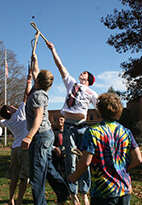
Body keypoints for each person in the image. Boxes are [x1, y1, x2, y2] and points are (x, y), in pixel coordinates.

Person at [46, 41, 98, 205]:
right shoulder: (71, 83)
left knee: (84, 160)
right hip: (68, 126)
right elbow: (60, 65)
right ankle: (73, 192)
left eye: (84, 73)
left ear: (88, 78)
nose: (80, 73)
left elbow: (102, 108)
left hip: (82, 126)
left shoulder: (92, 92)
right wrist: (53, 49)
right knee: (71, 161)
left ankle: (84, 192)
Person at [68, 93, 142, 205]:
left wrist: (73, 177)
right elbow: (138, 159)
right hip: (124, 190)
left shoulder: (93, 132)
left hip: (103, 191)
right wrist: (120, 169)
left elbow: (86, 161)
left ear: (99, 109)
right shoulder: (126, 132)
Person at [21, 51, 69, 205]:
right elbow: (36, 71)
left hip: (40, 136)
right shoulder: (39, 90)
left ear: (39, 81)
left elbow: (38, 118)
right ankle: (63, 191)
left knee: (37, 175)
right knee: (47, 167)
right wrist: (35, 58)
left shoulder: (37, 95)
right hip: (46, 135)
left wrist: (29, 136)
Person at [0, 71, 32, 205]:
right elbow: (26, 96)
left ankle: (11, 199)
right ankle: (19, 200)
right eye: (11, 107)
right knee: (24, 176)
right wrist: (28, 81)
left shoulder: (6, 122)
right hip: (24, 148)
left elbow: (1, 121)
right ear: (8, 111)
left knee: (14, 176)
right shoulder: (19, 114)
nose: (14, 107)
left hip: (15, 149)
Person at [52, 116, 66, 181]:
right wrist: (54, 148)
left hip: (65, 157)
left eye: (61, 120)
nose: (59, 121)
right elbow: (49, 144)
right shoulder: (53, 132)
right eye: (58, 120)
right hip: (56, 157)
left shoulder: (67, 132)